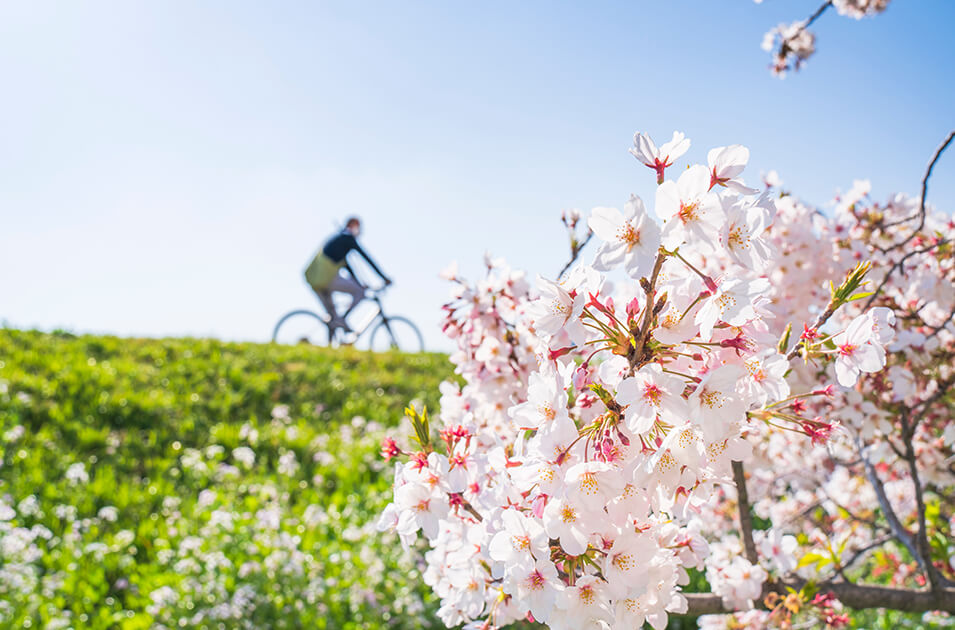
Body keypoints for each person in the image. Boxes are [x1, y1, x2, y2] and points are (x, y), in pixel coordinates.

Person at [304, 217, 391, 333]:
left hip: (315, 280)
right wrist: (383, 277)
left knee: (334, 318)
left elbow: (348, 267)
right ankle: (342, 321)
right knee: (360, 292)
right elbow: (367, 258)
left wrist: (359, 282)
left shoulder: (339, 242)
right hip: (325, 279)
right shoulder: (347, 239)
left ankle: (337, 329)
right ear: (351, 225)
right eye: (357, 227)